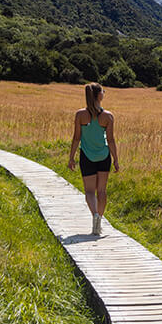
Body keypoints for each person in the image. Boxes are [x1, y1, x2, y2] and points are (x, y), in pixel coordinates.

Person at [67, 82, 119, 235]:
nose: (104, 92)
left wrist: (71, 158)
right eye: (103, 91)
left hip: (87, 157)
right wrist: (115, 159)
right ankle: (100, 219)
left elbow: (76, 138)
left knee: (89, 192)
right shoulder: (108, 116)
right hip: (104, 156)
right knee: (101, 191)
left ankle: (95, 215)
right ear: (99, 95)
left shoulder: (80, 115)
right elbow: (110, 140)